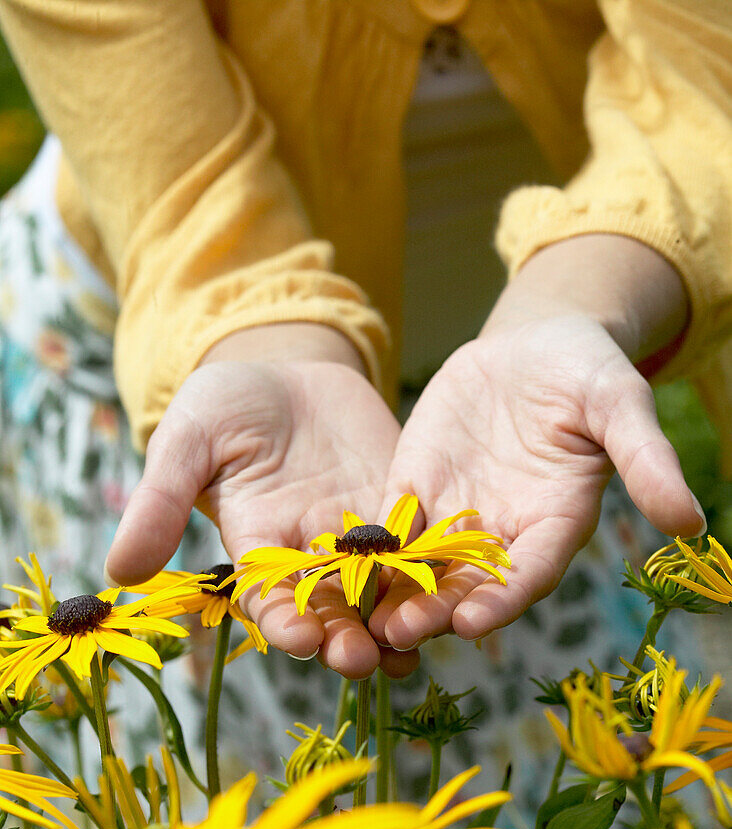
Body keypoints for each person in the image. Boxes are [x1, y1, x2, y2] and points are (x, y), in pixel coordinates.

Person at [0, 2, 728, 726]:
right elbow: (181, 191)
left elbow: (708, 106)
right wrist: (273, 354)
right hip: (198, 368)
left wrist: (568, 313)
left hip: (499, 419)